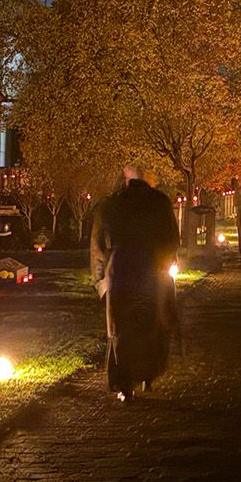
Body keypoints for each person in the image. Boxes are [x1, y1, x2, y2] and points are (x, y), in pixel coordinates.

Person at [89, 165, 180, 402]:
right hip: (152, 269)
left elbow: (98, 243)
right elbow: (172, 238)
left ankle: (124, 381)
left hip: (121, 270)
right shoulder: (160, 202)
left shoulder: (111, 205)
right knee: (152, 321)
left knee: (121, 328)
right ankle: (148, 374)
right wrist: (166, 262)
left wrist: (100, 277)